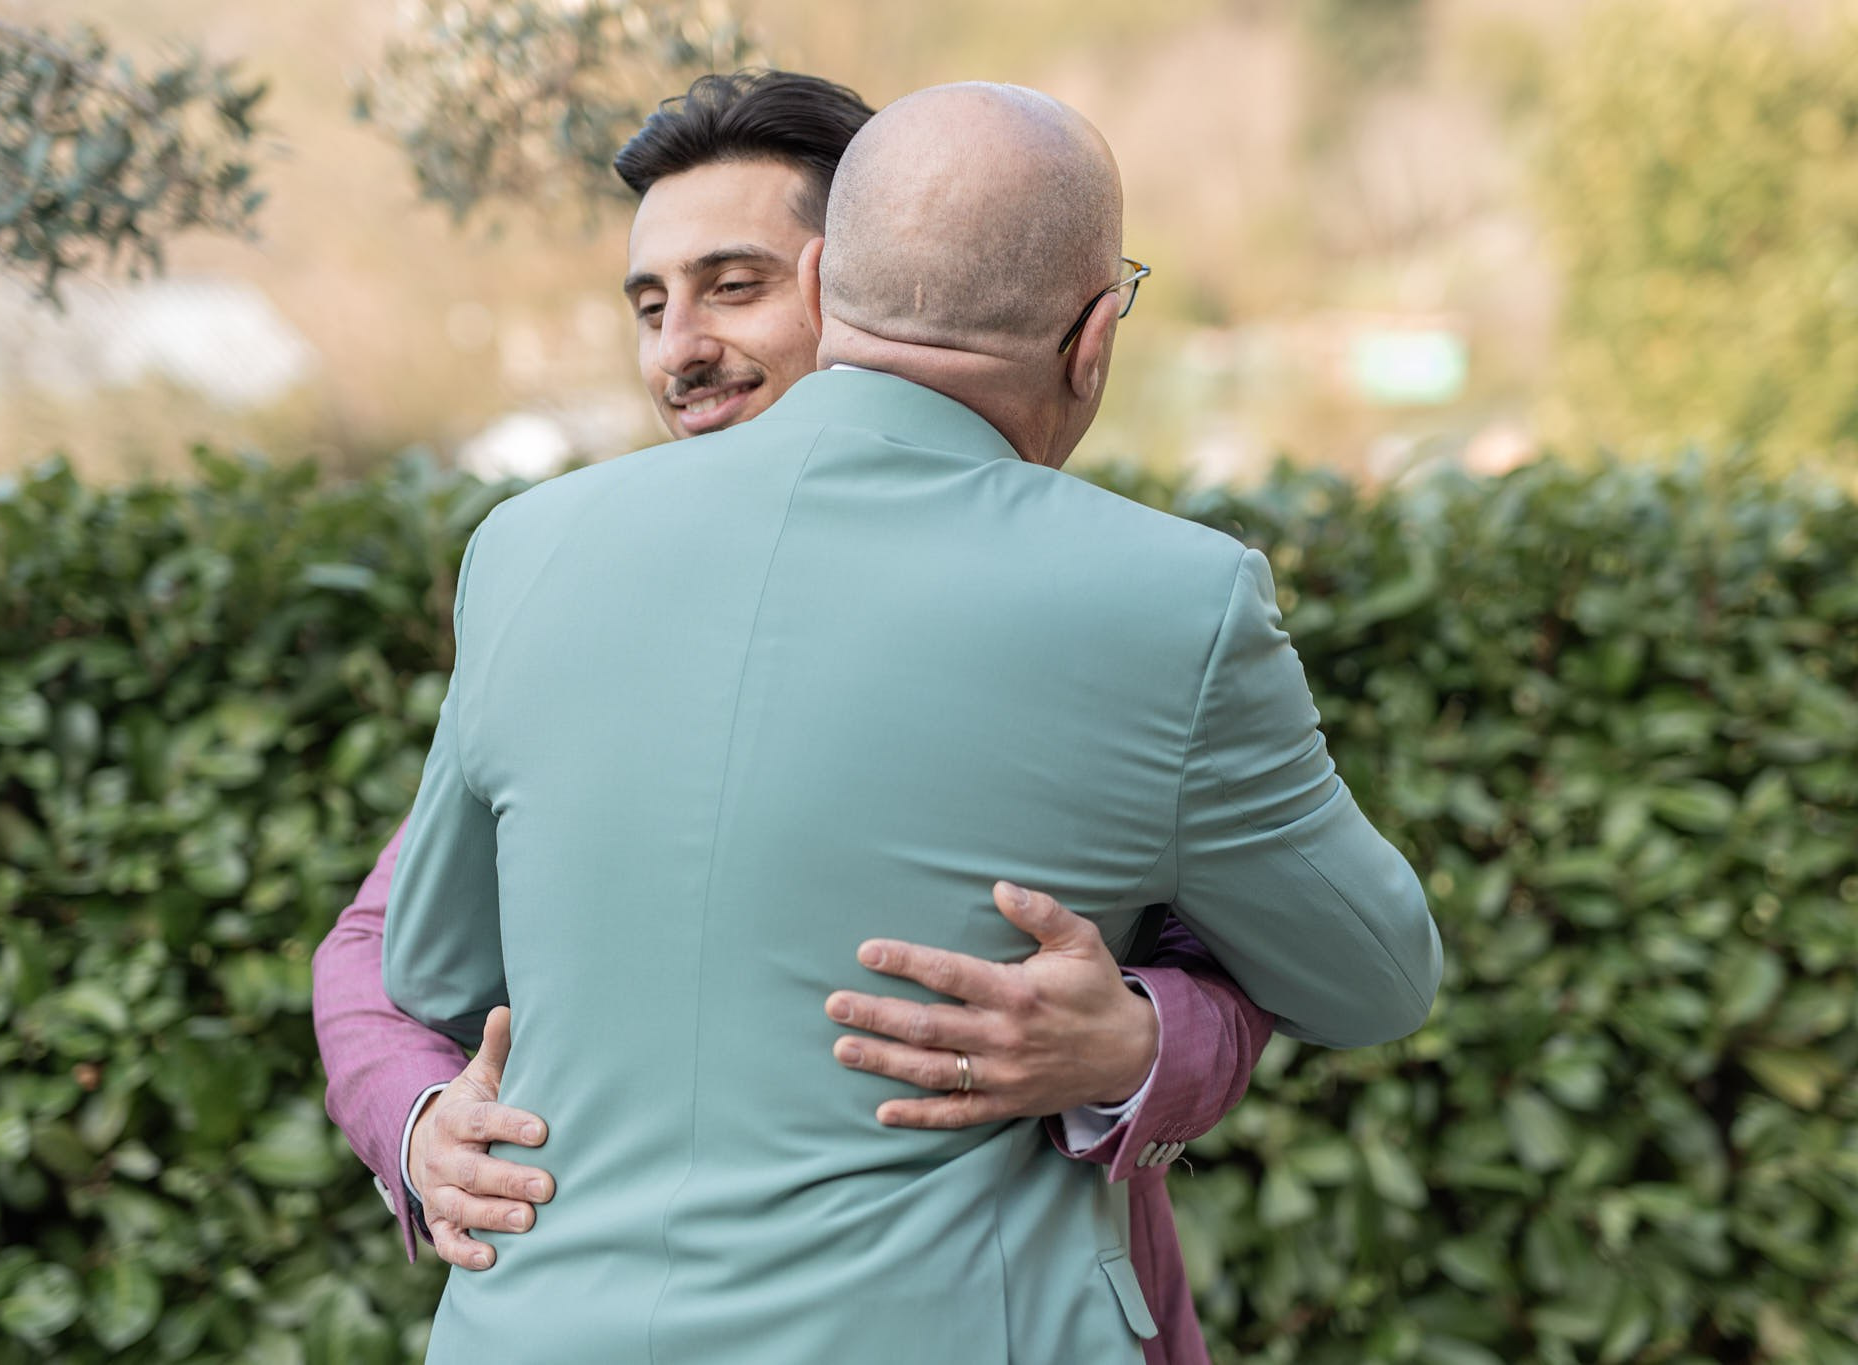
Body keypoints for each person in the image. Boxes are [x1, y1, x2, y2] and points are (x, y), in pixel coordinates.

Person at [376, 81, 1442, 1361]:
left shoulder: (525, 546)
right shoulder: (1174, 600)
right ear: (1093, 335)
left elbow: (427, 967)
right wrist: (1144, 1026)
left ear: (825, 282)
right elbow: (1375, 978)